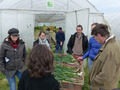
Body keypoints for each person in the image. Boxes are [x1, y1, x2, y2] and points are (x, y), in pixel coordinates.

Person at [90, 24, 120, 90]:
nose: (95, 39)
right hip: (104, 85)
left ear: (99, 35)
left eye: (94, 37)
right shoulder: (110, 44)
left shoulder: (110, 49)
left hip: (103, 86)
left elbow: (106, 75)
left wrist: (94, 80)